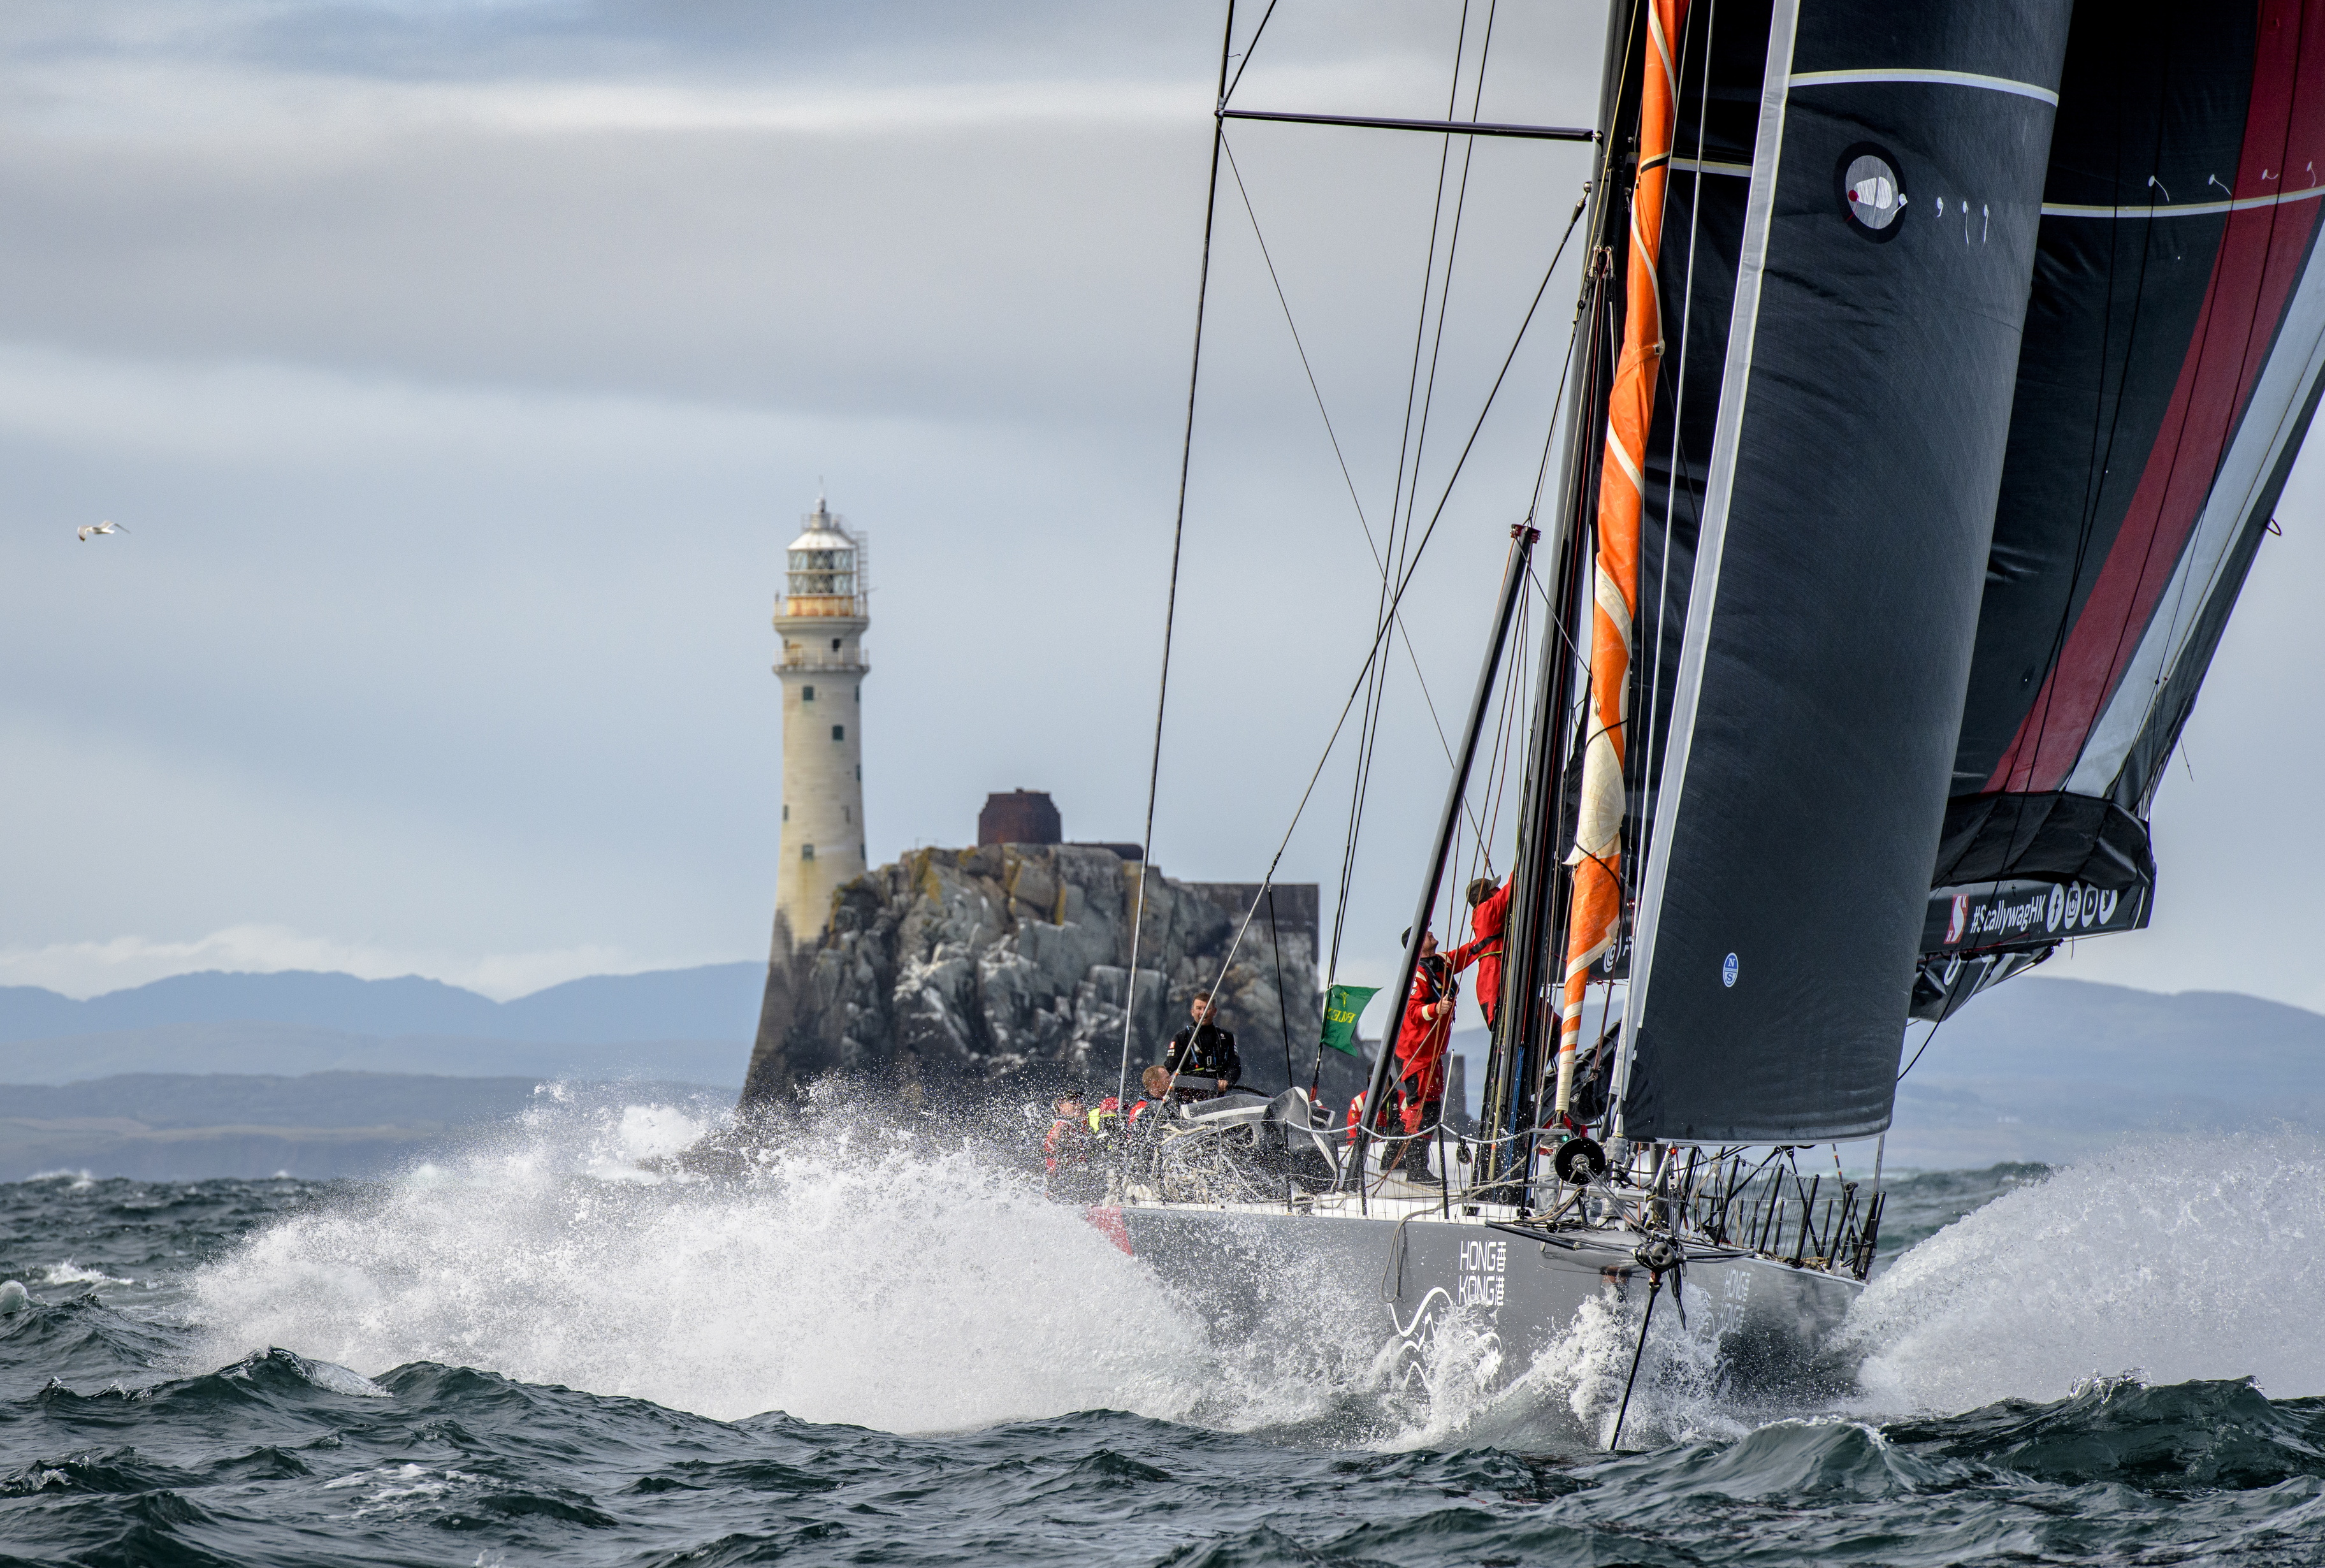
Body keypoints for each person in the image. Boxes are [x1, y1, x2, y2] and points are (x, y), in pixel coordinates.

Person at [1386, 927, 1458, 1182]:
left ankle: (1391, 1159)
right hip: (1415, 1053)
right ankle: (1416, 1169)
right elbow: (1413, 1010)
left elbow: (1469, 952)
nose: (1432, 933)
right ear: (1418, 945)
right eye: (1427, 934)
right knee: (1424, 1108)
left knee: (1427, 1106)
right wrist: (1436, 1008)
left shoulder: (1441, 963)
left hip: (1430, 1053)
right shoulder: (1416, 974)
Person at [1458, 875, 1512, 1027]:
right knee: (1500, 1025)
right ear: (1486, 895)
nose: (1497, 889)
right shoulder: (1487, 910)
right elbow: (1514, 886)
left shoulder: (1481, 914)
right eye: (1493, 888)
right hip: (1493, 977)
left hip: (1490, 979)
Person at [1164, 992, 1241, 1096]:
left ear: (1214, 1012)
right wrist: (1175, 1081)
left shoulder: (1227, 1037)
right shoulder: (1181, 1037)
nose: (1203, 1013)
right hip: (1188, 1095)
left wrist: (1227, 1081)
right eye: (1199, 1008)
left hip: (1217, 1093)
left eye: (1207, 1009)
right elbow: (1170, 1067)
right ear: (1192, 1011)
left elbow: (1235, 1066)